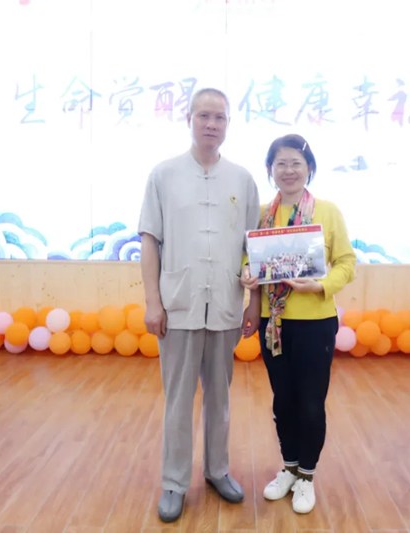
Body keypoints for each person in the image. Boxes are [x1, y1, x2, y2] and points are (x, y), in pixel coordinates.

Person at [138, 88, 260, 523]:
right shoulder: (164, 174)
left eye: (220, 117)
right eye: (204, 115)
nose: (211, 124)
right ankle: (173, 482)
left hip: (224, 304)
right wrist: (153, 302)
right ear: (188, 119)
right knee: (177, 400)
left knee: (220, 398)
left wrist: (253, 303)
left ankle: (217, 470)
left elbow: (254, 248)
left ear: (228, 124)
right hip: (179, 304)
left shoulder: (242, 179)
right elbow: (149, 240)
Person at [241, 134, 356, 514]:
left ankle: (307, 475)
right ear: (270, 169)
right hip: (273, 323)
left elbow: (346, 263)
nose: (288, 170)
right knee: (283, 401)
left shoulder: (327, 211)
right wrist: (247, 274)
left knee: (310, 403)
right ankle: (289, 467)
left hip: (315, 322)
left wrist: (320, 285)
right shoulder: (261, 214)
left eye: (296, 163)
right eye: (281, 163)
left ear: (309, 169)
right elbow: (248, 259)